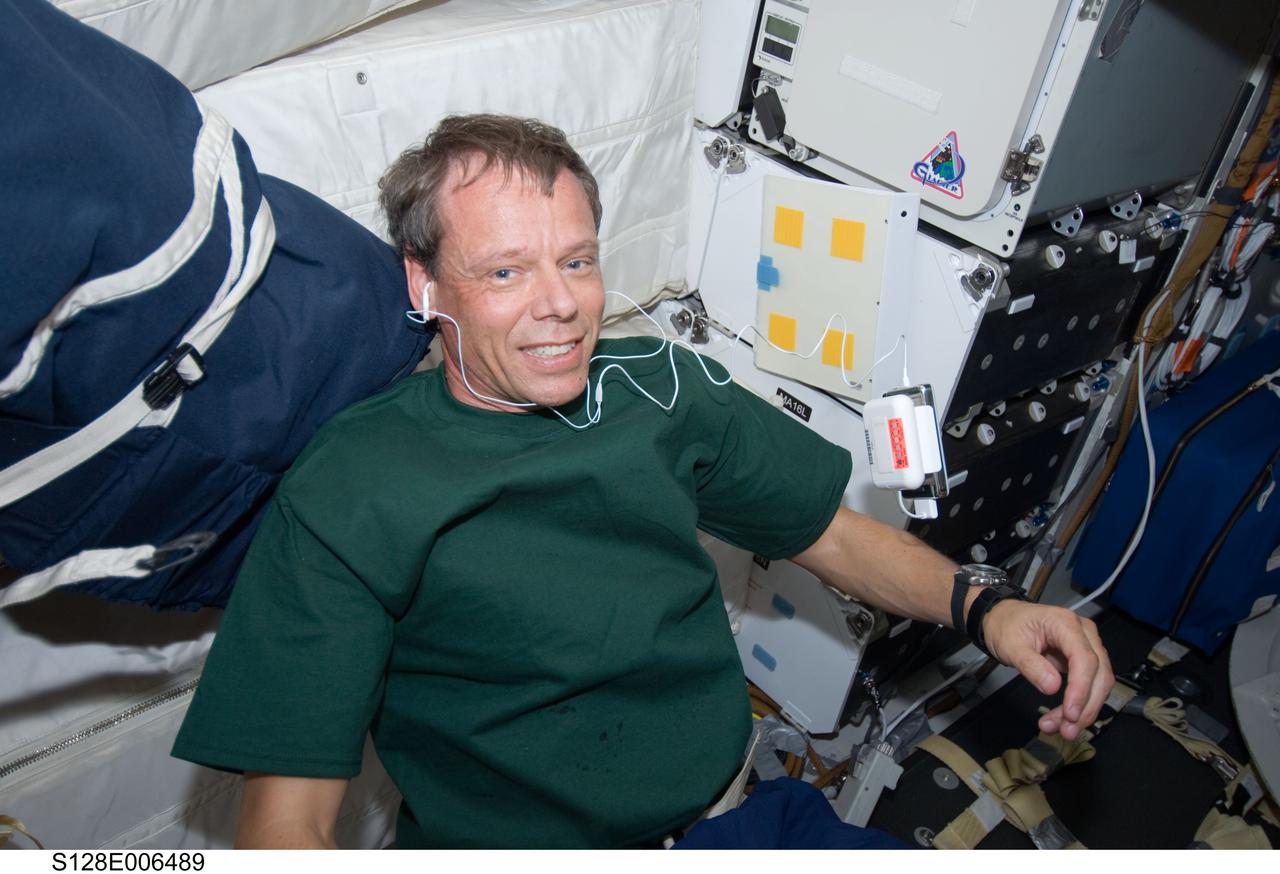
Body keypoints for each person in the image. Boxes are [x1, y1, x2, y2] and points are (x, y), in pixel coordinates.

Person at [172, 114, 1114, 849]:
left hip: (739, 820)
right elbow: (286, 827)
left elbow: (824, 530)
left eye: (576, 260)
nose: (562, 303)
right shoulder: (353, 486)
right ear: (425, 287)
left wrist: (988, 610)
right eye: (506, 271)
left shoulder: (657, 384)